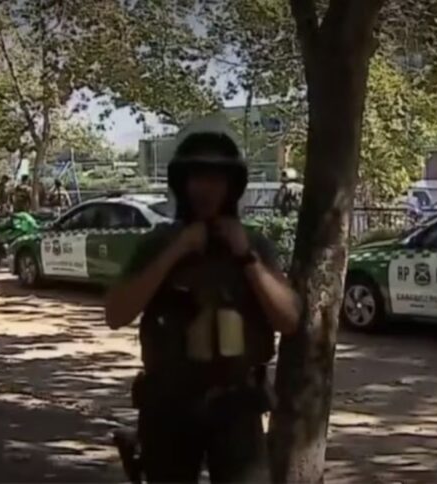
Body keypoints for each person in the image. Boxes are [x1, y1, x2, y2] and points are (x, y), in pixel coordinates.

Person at [104, 116, 300, 483]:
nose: (206, 188)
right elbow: (116, 313)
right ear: (183, 182)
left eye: (216, 178)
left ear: (232, 185)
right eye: (197, 176)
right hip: (169, 407)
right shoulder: (159, 242)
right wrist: (177, 250)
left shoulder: (254, 246)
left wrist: (245, 258)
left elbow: (288, 320)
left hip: (238, 407)